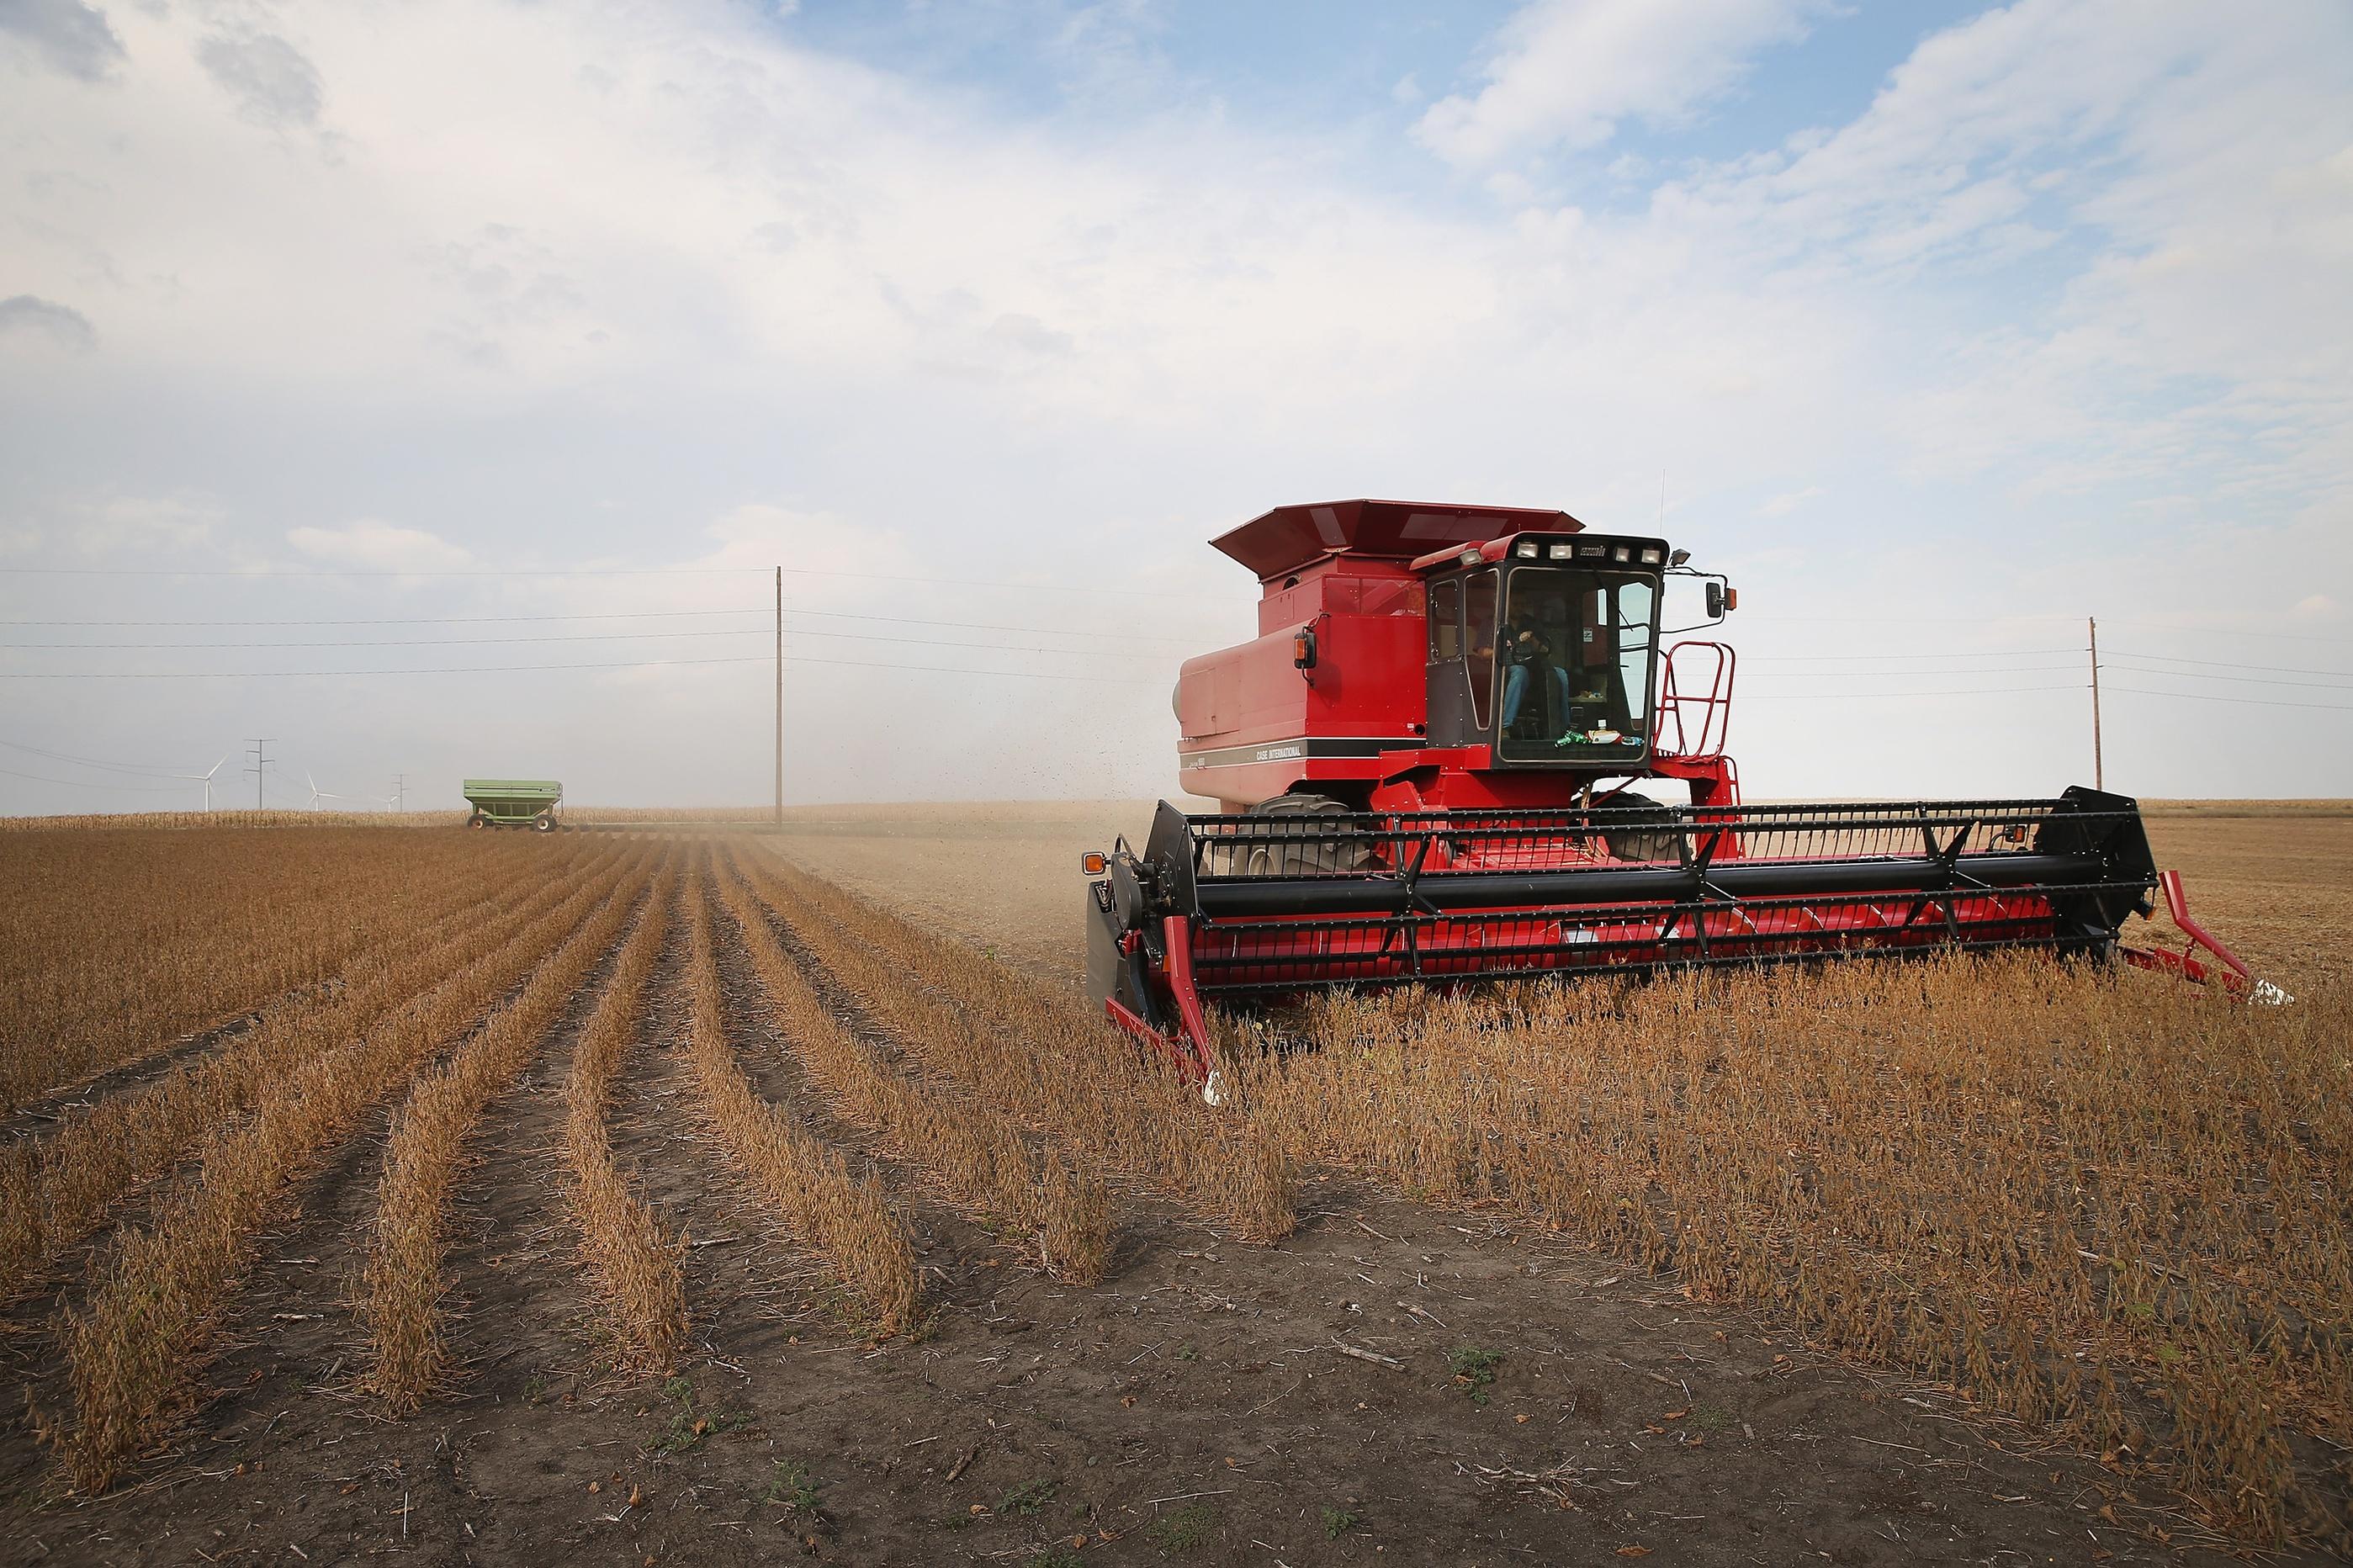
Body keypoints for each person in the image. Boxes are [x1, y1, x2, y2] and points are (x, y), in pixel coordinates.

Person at [1500, 609, 1571, 733]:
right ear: (1507, 601)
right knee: (1519, 672)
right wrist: (1501, 648)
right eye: (1516, 604)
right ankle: (1505, 725)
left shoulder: (1532, 624)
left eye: (1522, 604)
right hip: (1504, 669)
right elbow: (1482, 652)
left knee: (1560, 674)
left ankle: (1565, 726)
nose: (1519, 607)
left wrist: (1532, 640)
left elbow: (1545, 650)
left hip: (1534, 669)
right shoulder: (1493, 623)